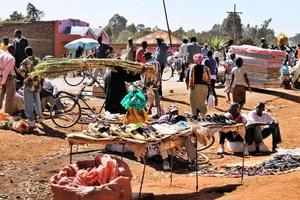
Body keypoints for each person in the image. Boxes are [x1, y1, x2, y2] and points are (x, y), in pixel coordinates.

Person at [18, 47, 43, 125]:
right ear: (32, 52)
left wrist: (26, 76)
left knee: (28, 102)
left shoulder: (25, 62)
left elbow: (21, 71)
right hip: (37, 83)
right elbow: (43, 72)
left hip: (28, 84)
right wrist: (41, 81)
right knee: (37, 100)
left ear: (25, 53)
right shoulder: (38, 60)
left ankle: (30, 119)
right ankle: (40, 117)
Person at [0, 45, 16, 115]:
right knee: (10, 96)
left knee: (1, 95)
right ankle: (7, 114)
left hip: (1, 77)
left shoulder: (2, 55)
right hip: (8, 78)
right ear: (12, 50)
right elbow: (6, 71)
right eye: (14, 50)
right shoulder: (11, 58)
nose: (15, 51)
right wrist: (3, 82)